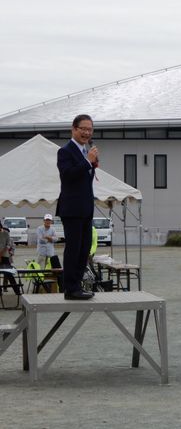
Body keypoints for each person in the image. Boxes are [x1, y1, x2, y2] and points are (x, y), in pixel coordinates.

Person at [56, 114, 99, 300]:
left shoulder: (84, 151)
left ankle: (78, 286)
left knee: (85, 248)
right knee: (73, 248)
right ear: (74, 129)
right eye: (83, 129)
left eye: (90, 130)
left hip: (85, 208)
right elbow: (67, 176)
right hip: (72, 209)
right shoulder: (65, 151)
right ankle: (70, 288)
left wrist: (91, 162)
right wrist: (87, 161)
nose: (87, 133)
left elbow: (83, 179)